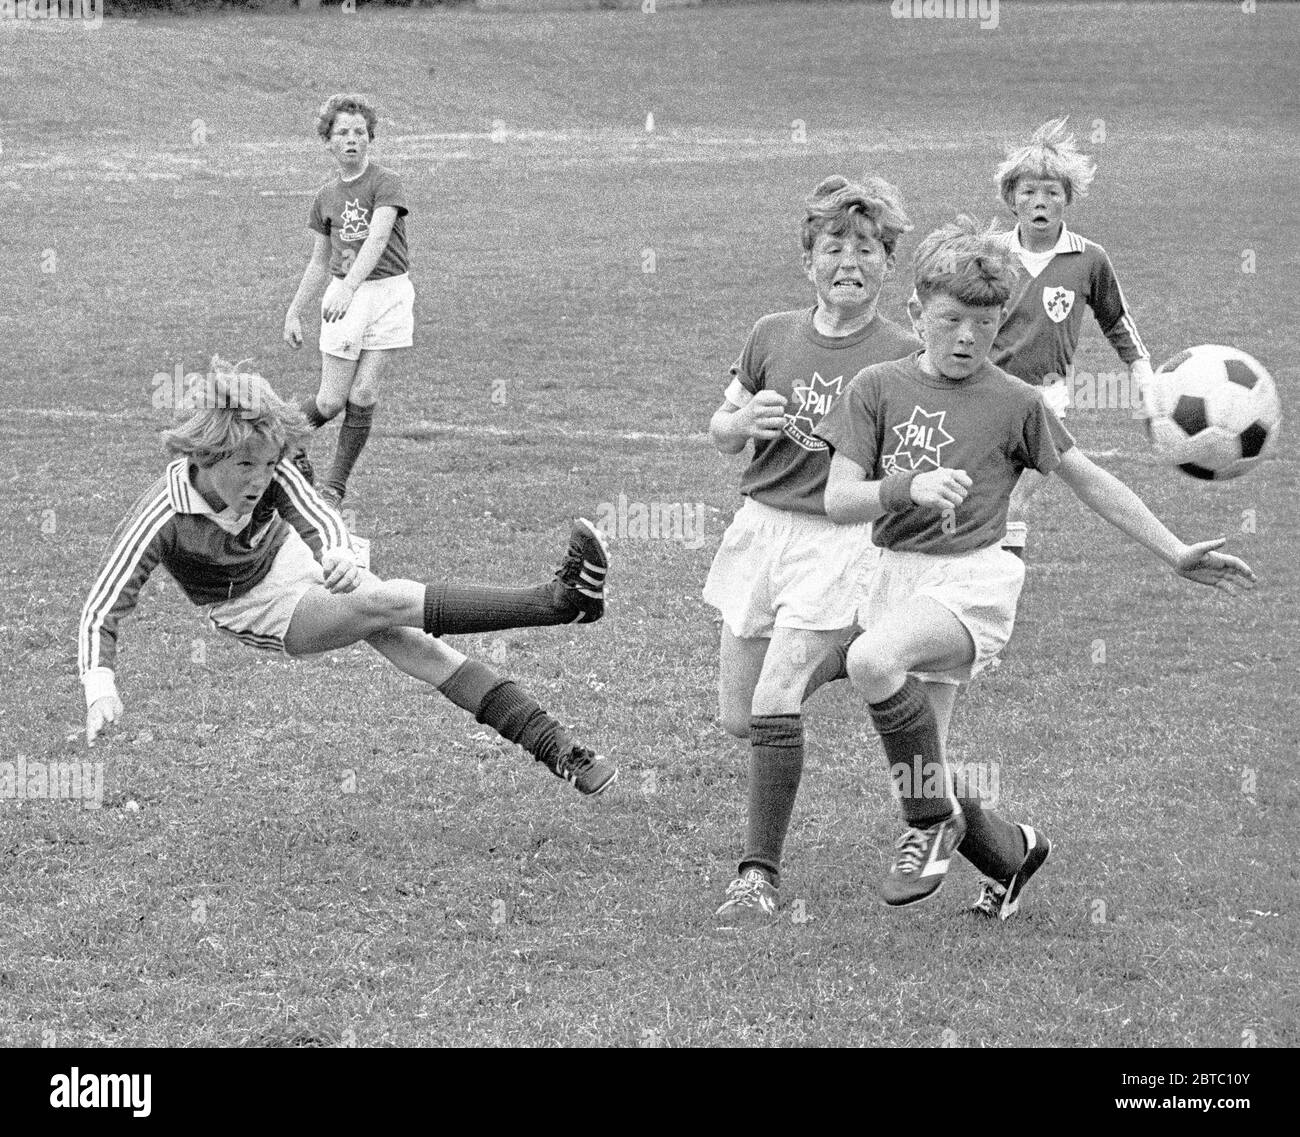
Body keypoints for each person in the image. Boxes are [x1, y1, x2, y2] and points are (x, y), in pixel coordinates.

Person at [817, 217, 1254, 915]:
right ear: (915, 312)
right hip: (897, 574)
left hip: (974, 579)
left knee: (872, 663)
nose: (966, 338)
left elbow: (1089, 479)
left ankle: (927, 825)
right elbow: (840, 499)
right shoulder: (876, 387)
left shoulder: (1016, 402)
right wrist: (907, 488)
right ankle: (1015, 854)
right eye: (951, 319)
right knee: (927, 763)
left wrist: (1175, 550)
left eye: (986, 326)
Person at [78, 361, 616, 797]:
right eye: (245, 467)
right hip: (251, 606)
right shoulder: (163, 516)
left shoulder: (270, 461)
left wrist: (334, 552)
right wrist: (99, 683)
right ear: (205, 455)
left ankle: (560, 749)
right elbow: (102, 607)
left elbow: (317, 516)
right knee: (383, 606)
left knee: (412, 644)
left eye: (268, 465)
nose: (260, 478)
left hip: (290, 556)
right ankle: (560, 602)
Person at [704, 175, 922, 925]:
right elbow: (720, 427)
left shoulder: (904, 354)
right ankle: (858, 655)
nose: (849, 260)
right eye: (834, 246)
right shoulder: (770, 334)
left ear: (888, 264)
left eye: (867, 247)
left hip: (840, 543)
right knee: (742, 716)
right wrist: (745, 422)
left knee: (774, 698)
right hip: (762, 530)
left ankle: (756, 877)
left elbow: (915, 465)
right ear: (809, 262)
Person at [283, 93, 413, 509]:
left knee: (365, 394)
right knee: (330, 401)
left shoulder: (385, 182)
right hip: (344, 296)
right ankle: (280, 437)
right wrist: (294, 311)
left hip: (387, 293)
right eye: (342, 132)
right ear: (328, 142)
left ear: (370, 137)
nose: (352, 139)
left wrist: (350, 286)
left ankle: (333, 489)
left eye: (359, 132)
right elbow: (319, 261)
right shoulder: (324, 197)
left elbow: (377, 238)